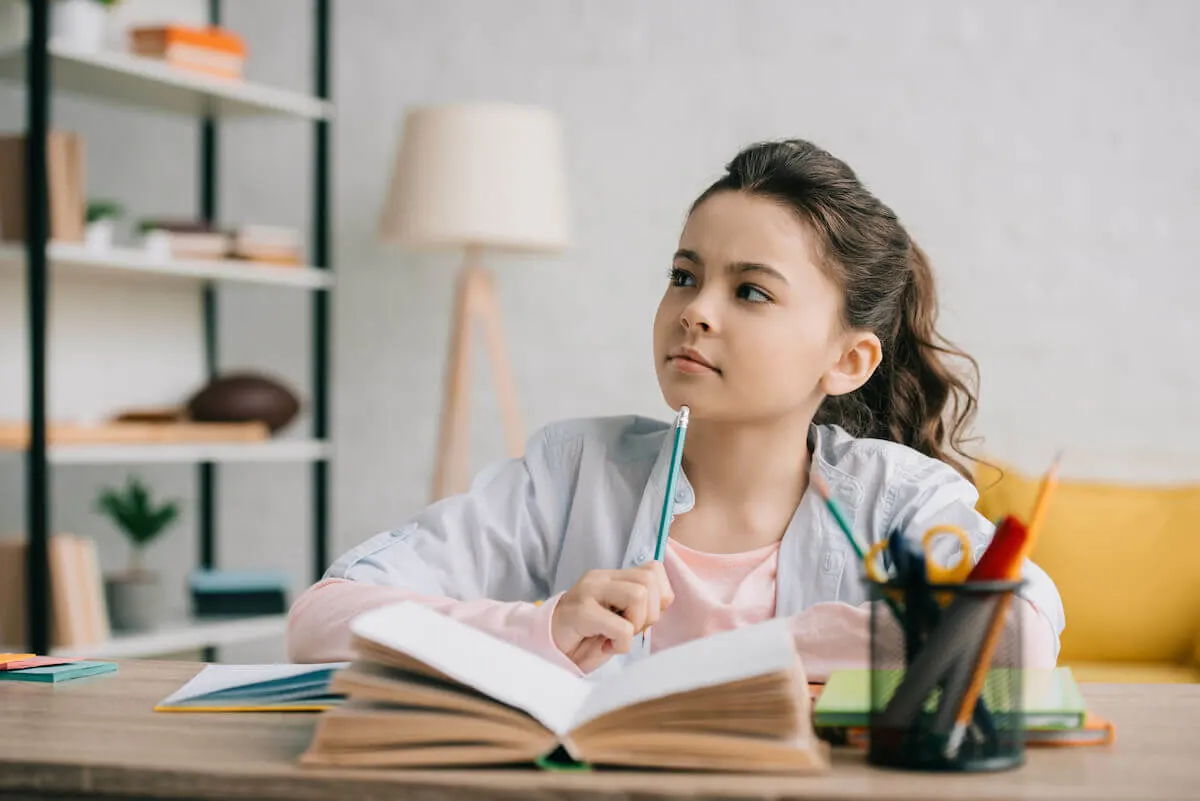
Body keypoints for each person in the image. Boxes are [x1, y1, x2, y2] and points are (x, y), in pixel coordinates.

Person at [287, 139, 1064, 680]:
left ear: (848, 359)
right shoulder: (573, 471)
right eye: (685, 275)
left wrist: (754, 655)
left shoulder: (897, 498)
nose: (696, 311)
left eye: (750, 291)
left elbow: (1018, 630)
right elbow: (323, 617)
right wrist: (541, 627)